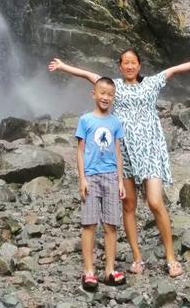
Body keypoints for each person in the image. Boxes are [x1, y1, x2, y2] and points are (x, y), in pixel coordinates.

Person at [50, 48, 190, 278]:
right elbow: (90, 76)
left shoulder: (151, 84)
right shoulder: (113, 87)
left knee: (155, 202)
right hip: (124, 153)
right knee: (128, 205)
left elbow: (174, 70)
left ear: (139, 65)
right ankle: (137, 257)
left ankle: (170, 256)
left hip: (150, 151)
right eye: (125, 63)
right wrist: (63, 66)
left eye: (133, 62)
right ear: (119, 66)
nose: (129, 66)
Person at [75, 76, 127, 292]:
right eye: (102, 93)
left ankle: (109, 270)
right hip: (92, 177)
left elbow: (117, 151)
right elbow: (79, 151)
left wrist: (121, 180)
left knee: (111, 225)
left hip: (111, 177)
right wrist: (82, 178)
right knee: (89, 225)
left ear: (113, 98)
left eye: (110, 94)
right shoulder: (85, 120)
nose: (105, 97)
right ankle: (88, 271)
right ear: (94, 94)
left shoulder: (115, 122)